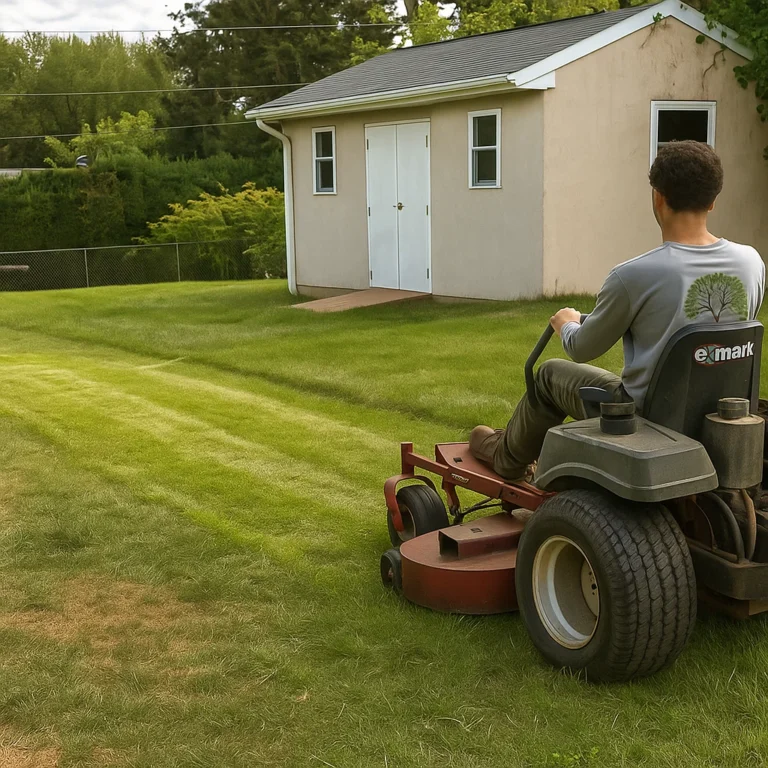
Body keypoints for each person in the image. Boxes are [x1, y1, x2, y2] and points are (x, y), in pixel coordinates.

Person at [470, 140, 766, 482]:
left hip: (641, 417)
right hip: (719, 410)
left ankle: (507, 458)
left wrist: (566, 324)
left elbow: (583, 348)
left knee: (549, 373)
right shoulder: (751, 263)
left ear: (658, 197)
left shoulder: (634, 275)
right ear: (713, 201)